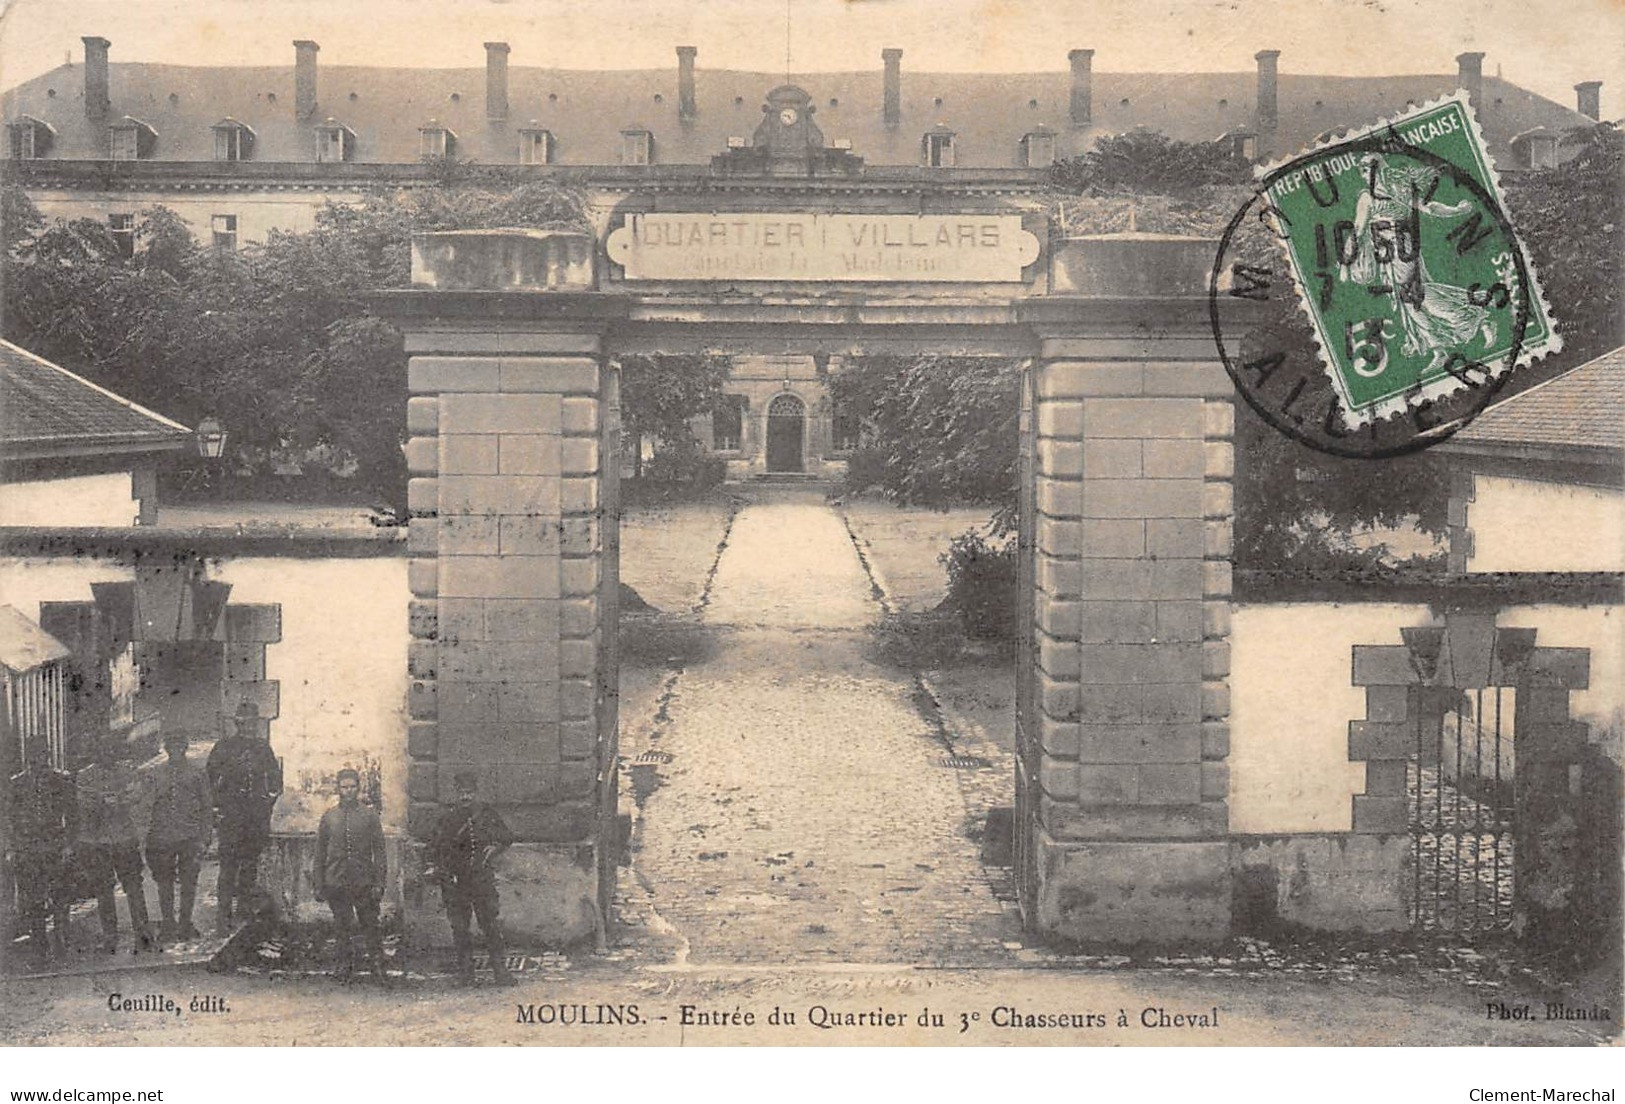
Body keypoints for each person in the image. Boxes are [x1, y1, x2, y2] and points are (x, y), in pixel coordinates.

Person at [424, 770, 515, 986]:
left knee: (490, 925)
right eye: (462, 793)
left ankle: (501, 972)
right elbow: (433, 846)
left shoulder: (486, 814)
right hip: (456, 882)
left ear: (476, 793)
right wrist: (434, 867)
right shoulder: (448, 818)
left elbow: (507, 837)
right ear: (456, 793)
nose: (466, 797)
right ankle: (466, 974)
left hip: (481, 879)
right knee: (460, 927)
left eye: (470, 793)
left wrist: (495, 848)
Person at [206, 701, 282, 935]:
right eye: (244, 723)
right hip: (231, 818)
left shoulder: (263, 748)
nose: (248, 727)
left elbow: (276, 781)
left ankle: (244, 909)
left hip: (255, 818)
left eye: (252, 723)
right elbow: (209, 781)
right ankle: (223, 916)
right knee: (228, 867)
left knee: (250, 865)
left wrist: (266, 804)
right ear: (237, 724)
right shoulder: (223, 747)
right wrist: (219, 807)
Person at [75, 740, 155, 954]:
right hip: (97, 841)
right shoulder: (85, 775)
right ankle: (110, 937)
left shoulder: (127, 771)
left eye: (110, 749)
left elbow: (135, 795)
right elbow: (84, 801)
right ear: (95, 753)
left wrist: (109, 799)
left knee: (133, 887)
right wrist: (113, 799)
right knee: (103, 889)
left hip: (124, 839)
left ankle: (144, 934)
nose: (106, 754)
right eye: (101, 750)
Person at [5, 737, 77, 968]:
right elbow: (8, 819)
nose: (37, 760)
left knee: (60, 899)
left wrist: (68, 844)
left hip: (55, 847)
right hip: (28, 849)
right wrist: (12, 847)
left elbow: (73, 817)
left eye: (41, 754)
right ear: (28, 757)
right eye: (33, 756)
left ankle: (62, 943)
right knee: (33, 901)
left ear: (47, 754)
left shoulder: (61, 781)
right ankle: (39, 948)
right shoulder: (16, 784)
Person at [313, 767, 388, 981]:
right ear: (338, 789)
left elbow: (380, 852)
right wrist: (319, 884)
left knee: (371, 926)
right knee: (341, 926)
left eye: (352, 787)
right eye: (344, 787)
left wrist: (379, 883)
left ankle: (377, 967)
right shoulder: (329, 817)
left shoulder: (369, 816)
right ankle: (344, 967)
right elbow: (319, 853)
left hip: (364, 881)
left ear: (358, 788)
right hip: (336, 881)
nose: (349, 791)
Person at [140, 732, 213, 943]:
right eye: (172, 745)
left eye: (180, 745)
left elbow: (207, 808)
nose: (176, 749)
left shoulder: (198, 774)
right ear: (166, 748)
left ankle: (185, 922)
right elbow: (145, 807)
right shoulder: (154, 774)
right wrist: (145, 838)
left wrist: (204, 837)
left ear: (186, 747)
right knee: (164, 882)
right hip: (161, 837)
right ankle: (168, 924)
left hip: (190, 836)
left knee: (189, 882)